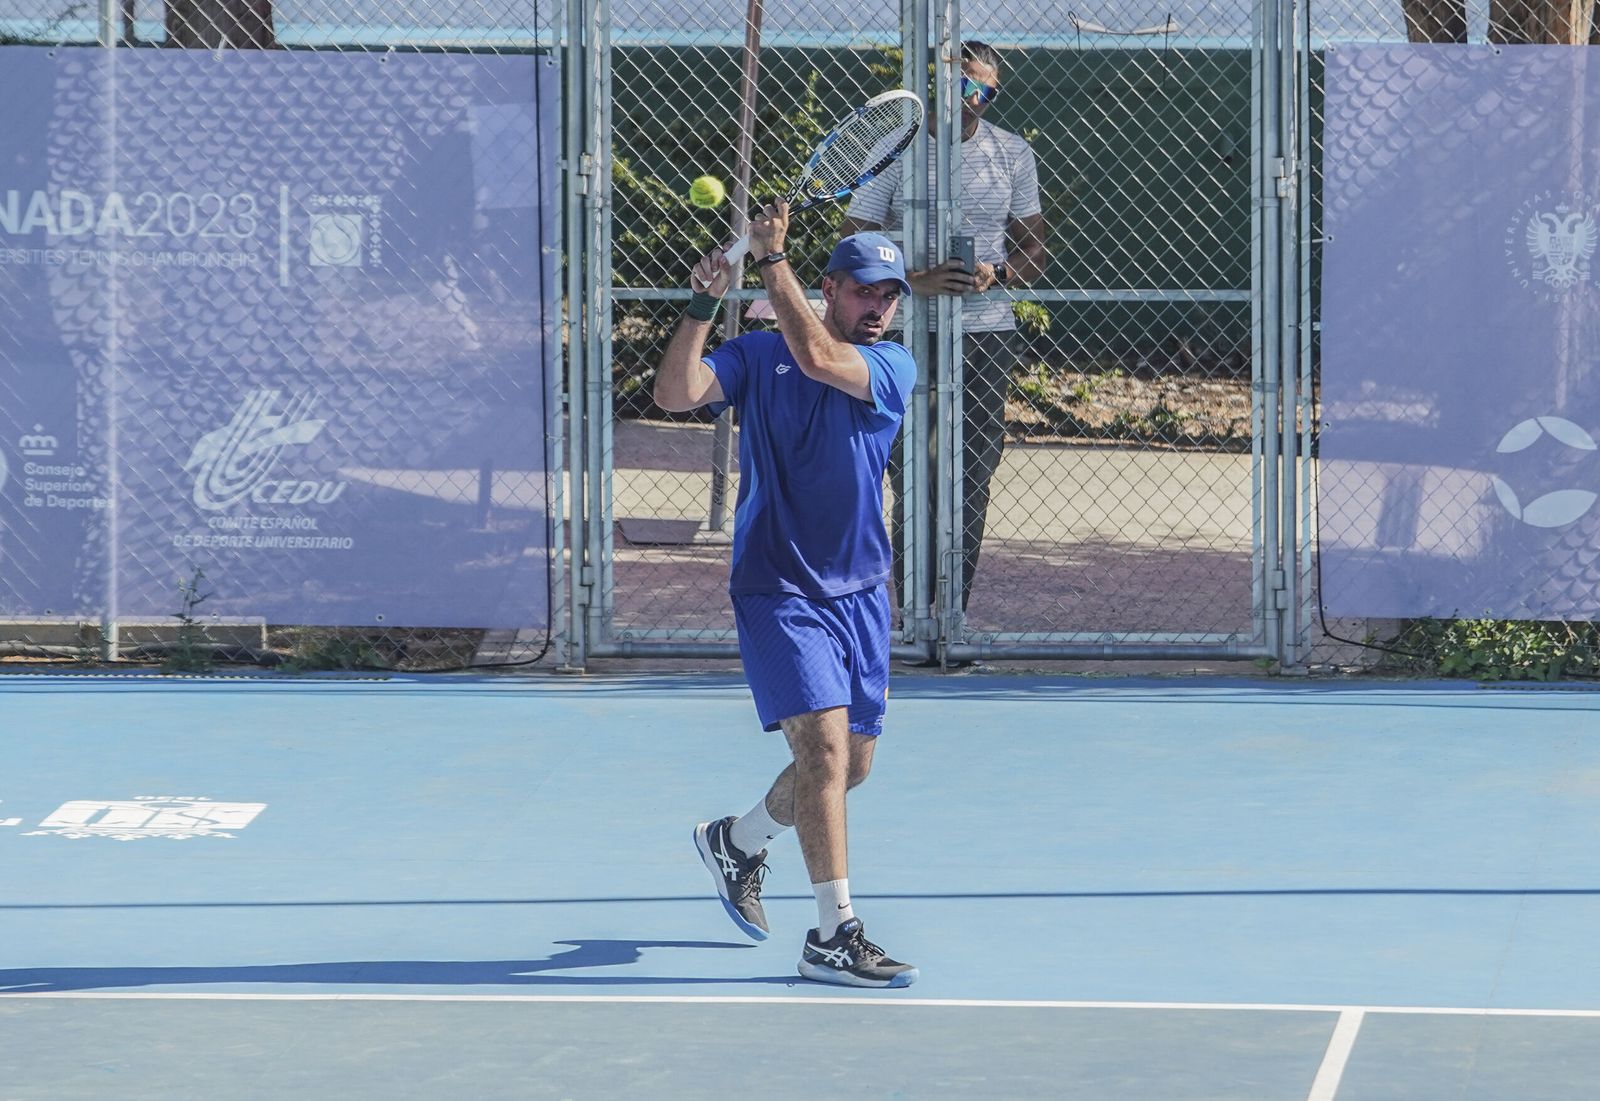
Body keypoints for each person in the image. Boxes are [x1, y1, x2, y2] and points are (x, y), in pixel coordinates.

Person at [652, 206, 920, 989]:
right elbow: (676, 393)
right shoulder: (758, 355)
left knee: (850, 766)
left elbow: (818, 356)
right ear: (832, 287)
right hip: (777, 587)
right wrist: (703, 304)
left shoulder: (892, 367)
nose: (879, 308)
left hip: (862, 592)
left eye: (890, 295)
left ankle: (738, 840)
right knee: (824, 752)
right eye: (866, 291)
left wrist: (771, 262)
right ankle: (836, 933)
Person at [839, 39, 1049, 627]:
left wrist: (998, 272)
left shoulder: (1011, 153)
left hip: (986, 333)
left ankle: (952, 611)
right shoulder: (897, 148)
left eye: (988, 89)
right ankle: (909, 615)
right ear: (940, 80)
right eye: (968, 83)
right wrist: (912, 281)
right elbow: (854, 240)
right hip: (906, 333)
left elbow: (1035, 246)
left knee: (974, 468)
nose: (977, 97)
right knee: (910, 468)